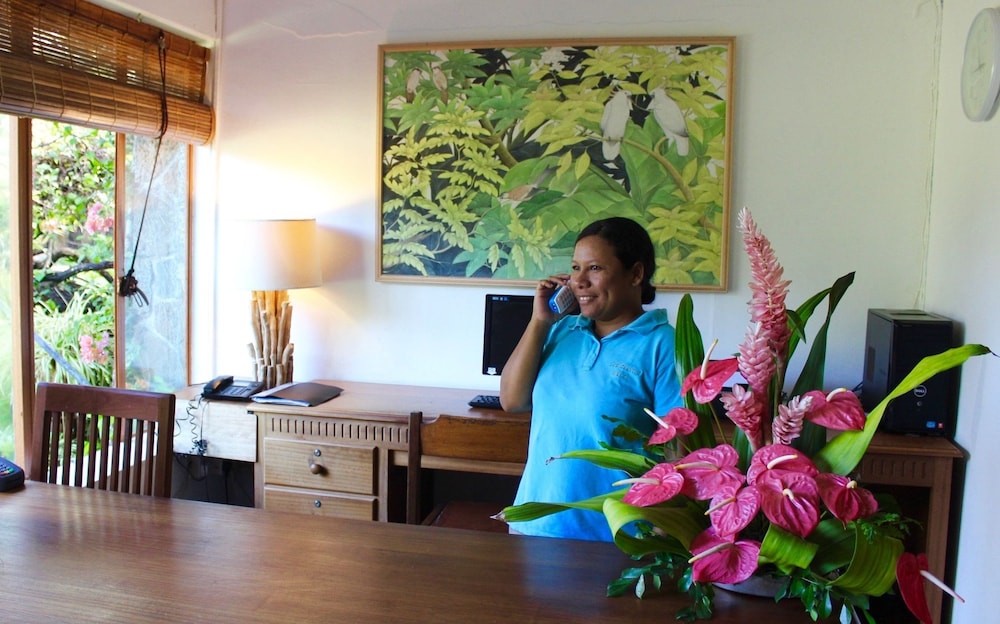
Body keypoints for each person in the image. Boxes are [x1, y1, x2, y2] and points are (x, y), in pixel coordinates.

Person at [500, 217, 683, 542]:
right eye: (575, 268)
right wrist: (540, 321)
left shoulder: (663, 344)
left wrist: (660, 536)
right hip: (535, 523)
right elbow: (512, 401)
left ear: (636, 274)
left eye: (595, 268)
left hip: (615, 536)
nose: (579, 281)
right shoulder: (561, 331)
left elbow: (678, 447)